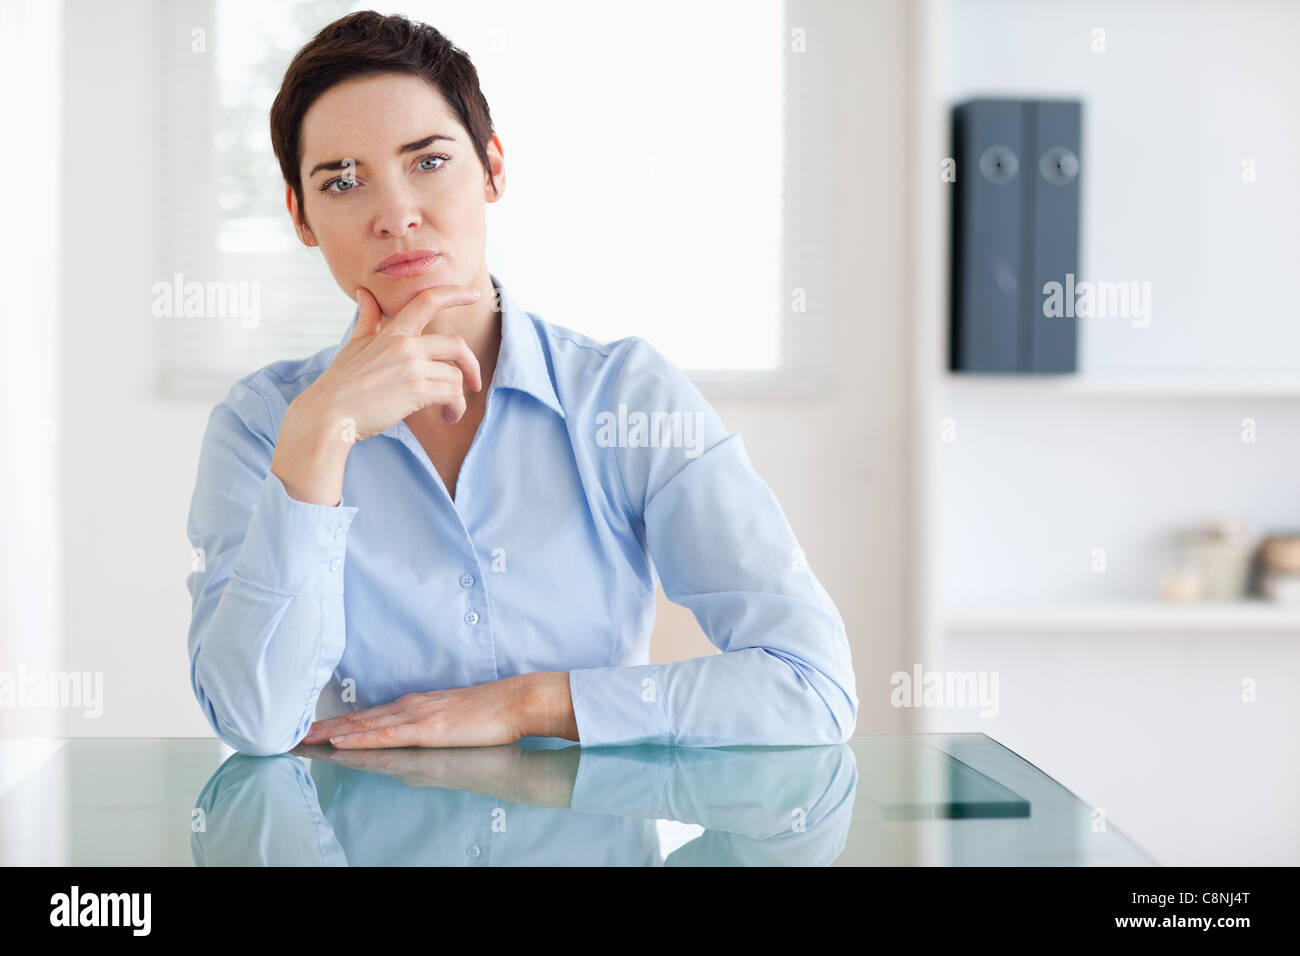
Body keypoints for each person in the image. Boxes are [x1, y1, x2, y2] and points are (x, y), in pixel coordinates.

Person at [185, 10, 857, 755]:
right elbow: (254, 721)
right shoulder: (263, 423)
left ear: (493, 168)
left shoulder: (624, 398)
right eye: (343, 181)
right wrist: (320, 437)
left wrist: (533, 703)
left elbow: (810, 686)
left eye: (429, 162)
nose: (396, 215)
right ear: (301, 217)